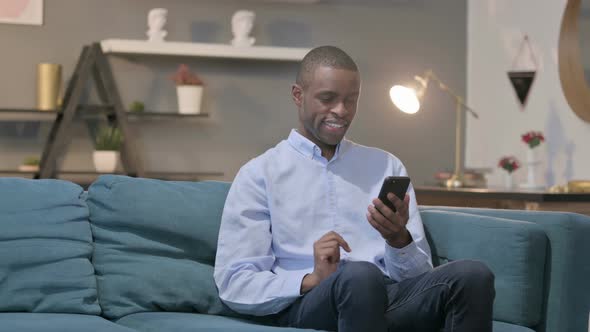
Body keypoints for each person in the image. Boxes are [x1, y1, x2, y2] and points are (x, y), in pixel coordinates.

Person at [214, 45, 495, 332]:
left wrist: (398, 239)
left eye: (351, 100)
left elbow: (418, 275)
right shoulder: (259, 174)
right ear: (298, 95)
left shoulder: (386, 165)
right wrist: (311, 279)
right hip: (310, 302)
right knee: (359, 275)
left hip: (386, 299)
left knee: (473, 275)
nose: (342, 111)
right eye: (328, 99)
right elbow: (235, 282)